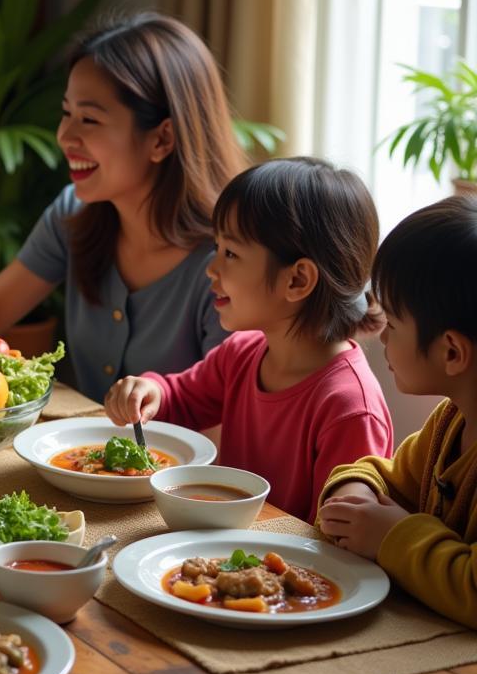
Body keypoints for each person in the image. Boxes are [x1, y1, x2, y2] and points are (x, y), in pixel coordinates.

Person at [0, 12, 246, 399]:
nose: (64, 136)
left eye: (89, 119)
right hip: (79, 456)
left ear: (162, 139)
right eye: (67, 113)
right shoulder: (73, 213)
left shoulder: (229, 259)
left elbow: (228, 420)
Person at [105, 157, 393, 521]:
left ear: (297, 280)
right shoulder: (241, 354)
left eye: (231, 253)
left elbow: (340, 540)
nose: (211, 267)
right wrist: (150, 392)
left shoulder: (350, 409)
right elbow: (181, 401)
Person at [318, 197, 477, 629]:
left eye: (395, 324)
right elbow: (385, 475)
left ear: (451, 351)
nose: (383, 335)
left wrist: (390, 536)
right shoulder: (453, 421)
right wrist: (356, 493)